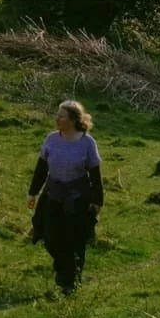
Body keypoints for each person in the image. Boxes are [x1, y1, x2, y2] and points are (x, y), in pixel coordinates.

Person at [28, 99, 103, 295]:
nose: (57, 118)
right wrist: (33, 193)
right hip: (53, 195)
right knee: (51, 238)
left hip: (77, 199)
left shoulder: (87, 143)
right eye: (58, 115)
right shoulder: (51, 139)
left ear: (72, 120)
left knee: (74, 240)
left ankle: (70, 282)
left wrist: (97, 201)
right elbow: (42, 168)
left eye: (61, 115)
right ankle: (64, 270)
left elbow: (95, 175)